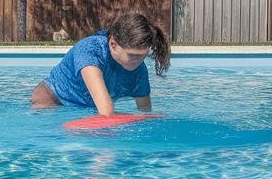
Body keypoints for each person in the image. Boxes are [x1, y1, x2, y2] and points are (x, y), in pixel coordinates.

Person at [32, 12, 171, 115]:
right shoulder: (89, 50)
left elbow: (145, 111)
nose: (137, 61)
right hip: (52, 101)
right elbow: (106, 112)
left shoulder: (139, 69)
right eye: (132, 55)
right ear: (113, 44)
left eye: (142, 56)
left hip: (85, 109)